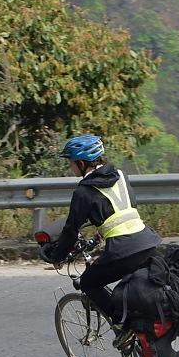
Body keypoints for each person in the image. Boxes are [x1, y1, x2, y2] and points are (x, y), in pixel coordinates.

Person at [43, 134, 163, 345]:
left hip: (123, 251)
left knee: (89, 282)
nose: (71, 167)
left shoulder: (83, 191)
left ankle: (121, 327)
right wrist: (101, 232)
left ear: (81, 163)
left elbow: (71, 229)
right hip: (148, 242)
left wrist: (57, 257)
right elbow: (126, 207)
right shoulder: (121, 175)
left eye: (71, 163)